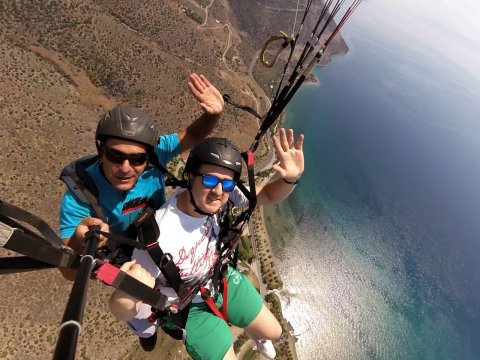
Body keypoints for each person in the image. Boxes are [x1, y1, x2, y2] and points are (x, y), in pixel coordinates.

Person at [109, 128, 304, 359]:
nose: (219, 191)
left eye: (227, 184)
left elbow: (269, 195)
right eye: (210, 180)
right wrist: (125, 296)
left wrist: (291, 178)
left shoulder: (226, 195)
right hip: (188, 307)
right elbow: (123, 309)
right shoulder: (158, 235)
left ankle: (258, 335)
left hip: (219, 278)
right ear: (190, 177)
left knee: (275, 331)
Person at [58, 73, 224, 266]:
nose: (125, 168)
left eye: (137, 159)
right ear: (101, 151)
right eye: (115, 156)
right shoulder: (81, 191)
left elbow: (193, 134)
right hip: (122, 254)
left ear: (147, 157)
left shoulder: (156, 153)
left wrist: (212, 115)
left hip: (162, 232)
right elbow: (68, 269)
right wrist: (83, 241)